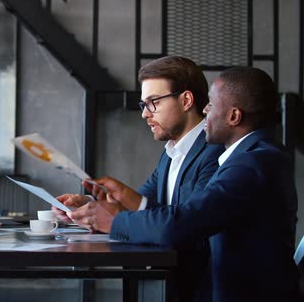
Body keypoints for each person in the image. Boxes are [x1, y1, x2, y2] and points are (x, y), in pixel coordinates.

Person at [70, 67, 300, 301]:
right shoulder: (255, 157)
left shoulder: (251, 165)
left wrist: (114, 221)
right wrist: (98, 209)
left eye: (211, 103)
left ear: (234, 116)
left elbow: (180, 223)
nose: (205, 110)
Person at [55, 56, 225, 301]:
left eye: (153, 102)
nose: (145, 114)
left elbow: (187, 226)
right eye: (143, 104)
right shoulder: (171, 153)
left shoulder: (214, 152)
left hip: (202, 288)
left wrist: (113, 216)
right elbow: (141, 209)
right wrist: (89, 208)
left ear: (186, 100)